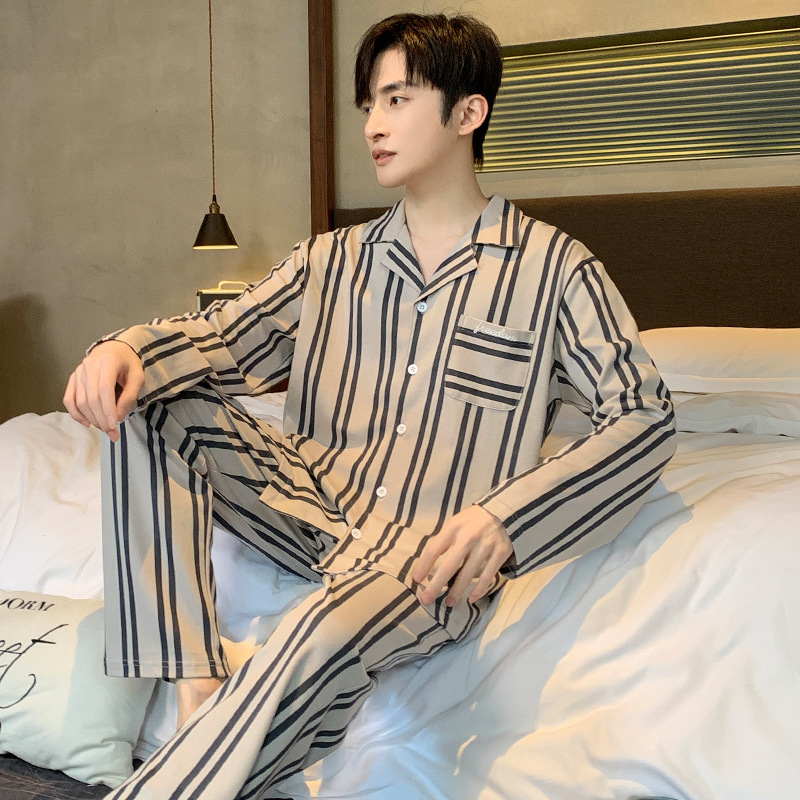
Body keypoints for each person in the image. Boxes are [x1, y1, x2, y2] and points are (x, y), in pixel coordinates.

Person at [63, 12, 676, 799]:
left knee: (315, 635)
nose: (373, 127)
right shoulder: (329, 260)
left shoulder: (555, 269)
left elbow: (644, 415)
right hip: (308, 503)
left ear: (468, 112)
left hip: (423, 559)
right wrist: (125, 348)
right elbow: (220, 339)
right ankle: (194, 687)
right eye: (368, 106)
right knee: (148, 390)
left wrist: (505, 520)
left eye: (396, 100)